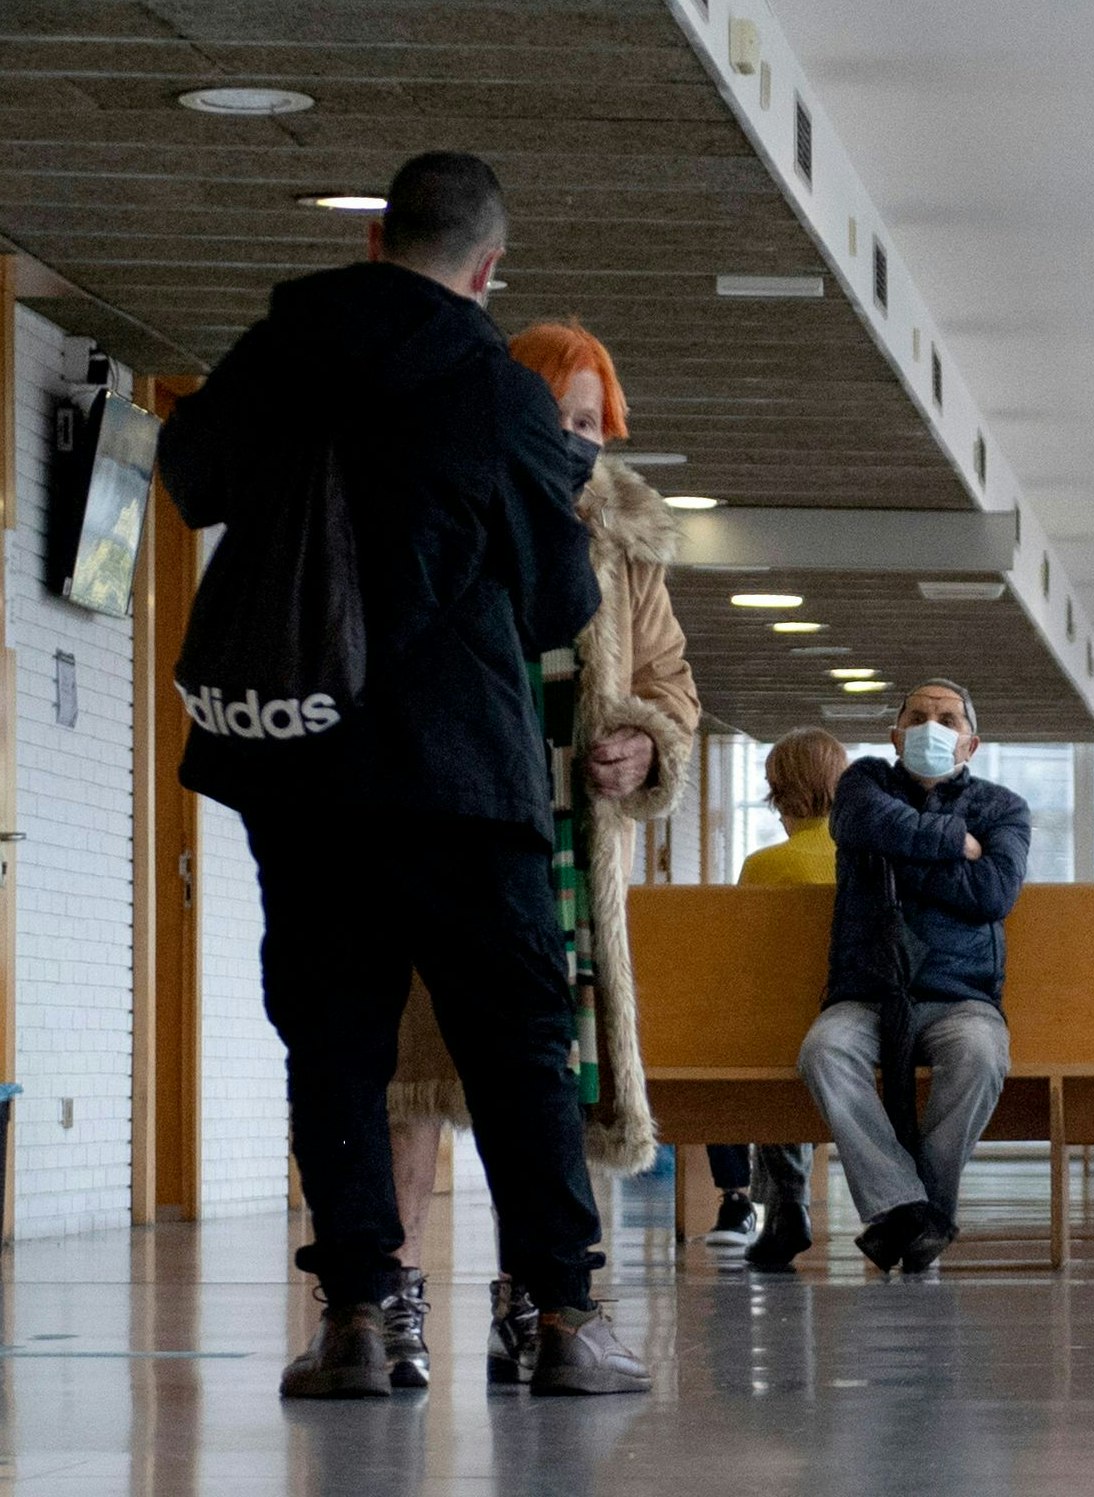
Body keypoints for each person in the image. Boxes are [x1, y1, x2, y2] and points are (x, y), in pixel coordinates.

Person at [156, 152, 649, 1397]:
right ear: (486, 269)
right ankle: (561, 1319)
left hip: (303, 759)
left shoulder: (285, 342)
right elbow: (554, 598)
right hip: (458, 771)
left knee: (332, 1039)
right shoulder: (494, 388)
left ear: (375, 240)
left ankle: (358, 1321)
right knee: (518, 1042)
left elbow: (194, 476)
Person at [375, 318, 699, 1390]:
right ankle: (389, 1302)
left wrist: (640, 744)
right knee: (412, 1078)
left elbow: (672, 694)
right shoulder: (435, 499)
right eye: (558, 418)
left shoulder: (626, 545)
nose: (578, 441)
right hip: (438, 812)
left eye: (591, 423)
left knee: (548, 1079)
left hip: (559, 835)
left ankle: (539, 1300)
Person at [791, 680, 1032, 1275]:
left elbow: (993, 893)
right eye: (920, 716)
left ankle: (914, 1211)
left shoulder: (1002, 809)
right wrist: (954, 843)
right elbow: (862, 823)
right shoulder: (863, 784)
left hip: (961, 997)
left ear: (970, 745)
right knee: (824, 1050)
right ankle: (914, 1211)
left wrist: (899, 856)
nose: (933, 727)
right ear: (896, 735)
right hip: (866, 992)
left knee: (980, 1055)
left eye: (949, 719)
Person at [732, 728, 850, 1271]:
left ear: (777, 791)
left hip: (783, 1033)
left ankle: (787, 1206)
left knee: (769, 1043)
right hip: (857, 1023)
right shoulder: (862, 859)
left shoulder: (763, 867)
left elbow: (749, 965)